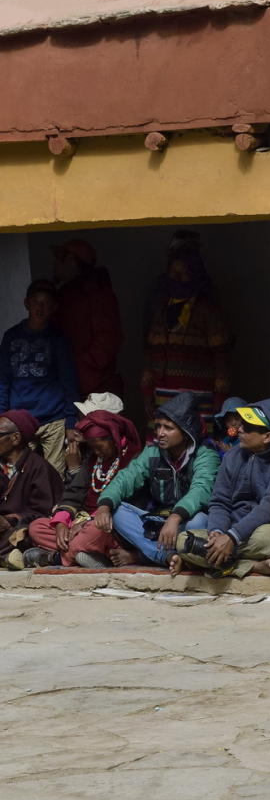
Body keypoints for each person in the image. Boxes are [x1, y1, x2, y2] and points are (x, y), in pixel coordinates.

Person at [92, 392, 219, 567]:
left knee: (198, 522)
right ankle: (167, 558)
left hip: (186, 522)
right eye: (158, 426)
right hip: (158, 522)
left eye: (168, 428)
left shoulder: (205, 455)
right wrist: (104, 505)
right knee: (117, 511)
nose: (160, 433)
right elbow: (126, 478)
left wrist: (175, 517)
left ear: (186, 431)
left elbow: (201, 489)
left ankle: (147, 556)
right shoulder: (152, 453)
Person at [170, 399, 270, 578]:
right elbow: (219, 502)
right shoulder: (232, 456)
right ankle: (250, 566)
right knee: (184, 540)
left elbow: (269, 507)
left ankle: (208, 561)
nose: (239, 430)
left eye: (247, 427)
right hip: (230, 530)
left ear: (267, 437)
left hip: (257, 532)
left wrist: (232, 537)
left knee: (269, 537)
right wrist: (217, 532)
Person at [23, 409, 140, 568]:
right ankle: (91, 555)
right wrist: (62, 523)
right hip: (81, 522)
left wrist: (86, 523)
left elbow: (126, 504)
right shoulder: (94, 460)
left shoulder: (134, 458)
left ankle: (56, 558)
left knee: (95, 530)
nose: (97, 452)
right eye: (93, 448)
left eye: (99, 447)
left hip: (106, 525)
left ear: (114, 439)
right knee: (37, 527)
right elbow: (74, 493)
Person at [142, 232, 232, 426]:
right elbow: (150, 353)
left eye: (184, 276)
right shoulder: (162, 308)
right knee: (162, 447)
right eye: (174, 276)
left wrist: (220, 400)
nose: (178, 281)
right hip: (162, 396)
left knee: (196, 446)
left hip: (199, 399)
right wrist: (147, 392)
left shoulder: (207, 309)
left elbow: (221, 357)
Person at [0, 280, 79, 475]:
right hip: (20, 420)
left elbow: (69, 381)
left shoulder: (58, 339)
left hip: (53, 419)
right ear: (27, 303)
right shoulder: (11, 336)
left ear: (54, 307)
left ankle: (55, 507)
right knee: (19, 476)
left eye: (46, 303)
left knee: (54, 476)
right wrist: (2, 415)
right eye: (36, 301)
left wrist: (71, 422)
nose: (40, 307)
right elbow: (3, 379)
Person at [50, 239, 123, 400]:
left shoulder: (98, 294)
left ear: (71, 260)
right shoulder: (65, 294)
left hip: (95, 387)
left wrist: (80, 366)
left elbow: (107, 341)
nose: (54, 264)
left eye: (58, 258)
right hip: (70, 384)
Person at [0, 411, 63, 567]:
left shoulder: (40, 468)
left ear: (15, 438)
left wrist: (11, 519)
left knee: (26, 534)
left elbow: (45, 511)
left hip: (18, 527)